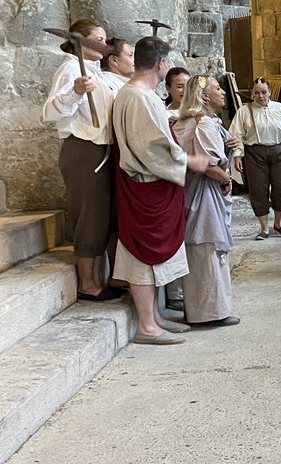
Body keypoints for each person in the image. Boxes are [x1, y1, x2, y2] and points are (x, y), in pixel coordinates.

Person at [111, 37, 210, 345]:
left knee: (152, 262)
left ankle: (154, 317)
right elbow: (151, 148)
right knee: (143, 258)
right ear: (161, 64)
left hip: (152, 187)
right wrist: (189, 160)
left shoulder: (140, 94)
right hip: (144, 188)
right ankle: (146, 325)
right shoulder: (137, 97)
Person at [42, 19, 123, 301]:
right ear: (81, 41)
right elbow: (51, 113)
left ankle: (100, 278)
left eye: (104, 39)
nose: (105, 44)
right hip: (84, 149)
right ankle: (87, 283)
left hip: (102, 149)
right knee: (89, 215)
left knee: (102, 216)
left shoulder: (97, 72)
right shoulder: (69, 68)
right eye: (98, 39)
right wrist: (75, 91)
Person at [173, 75, 240, 327]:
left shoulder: (203, 121)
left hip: (200, 193)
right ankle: (206, 313)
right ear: (204, 96)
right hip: (203, 193)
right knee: (206, 248)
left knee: (208, 249)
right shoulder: (202, 124)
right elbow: (207, 163)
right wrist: (225, 179)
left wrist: (228, 144)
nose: (223, 92)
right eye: (217, 89)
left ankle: (213, 309)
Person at [230, 77, 281, 241]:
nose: (260, 96)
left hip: (279, 151)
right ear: (252, 94)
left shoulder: (280, 109)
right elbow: (236, 135)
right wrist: (237, 155)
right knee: (258, 190)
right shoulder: (244, 111)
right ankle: (264, 228)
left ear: (269, 92)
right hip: (255, 153)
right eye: (256, 93)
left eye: (264, 92)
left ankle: (278, 223)